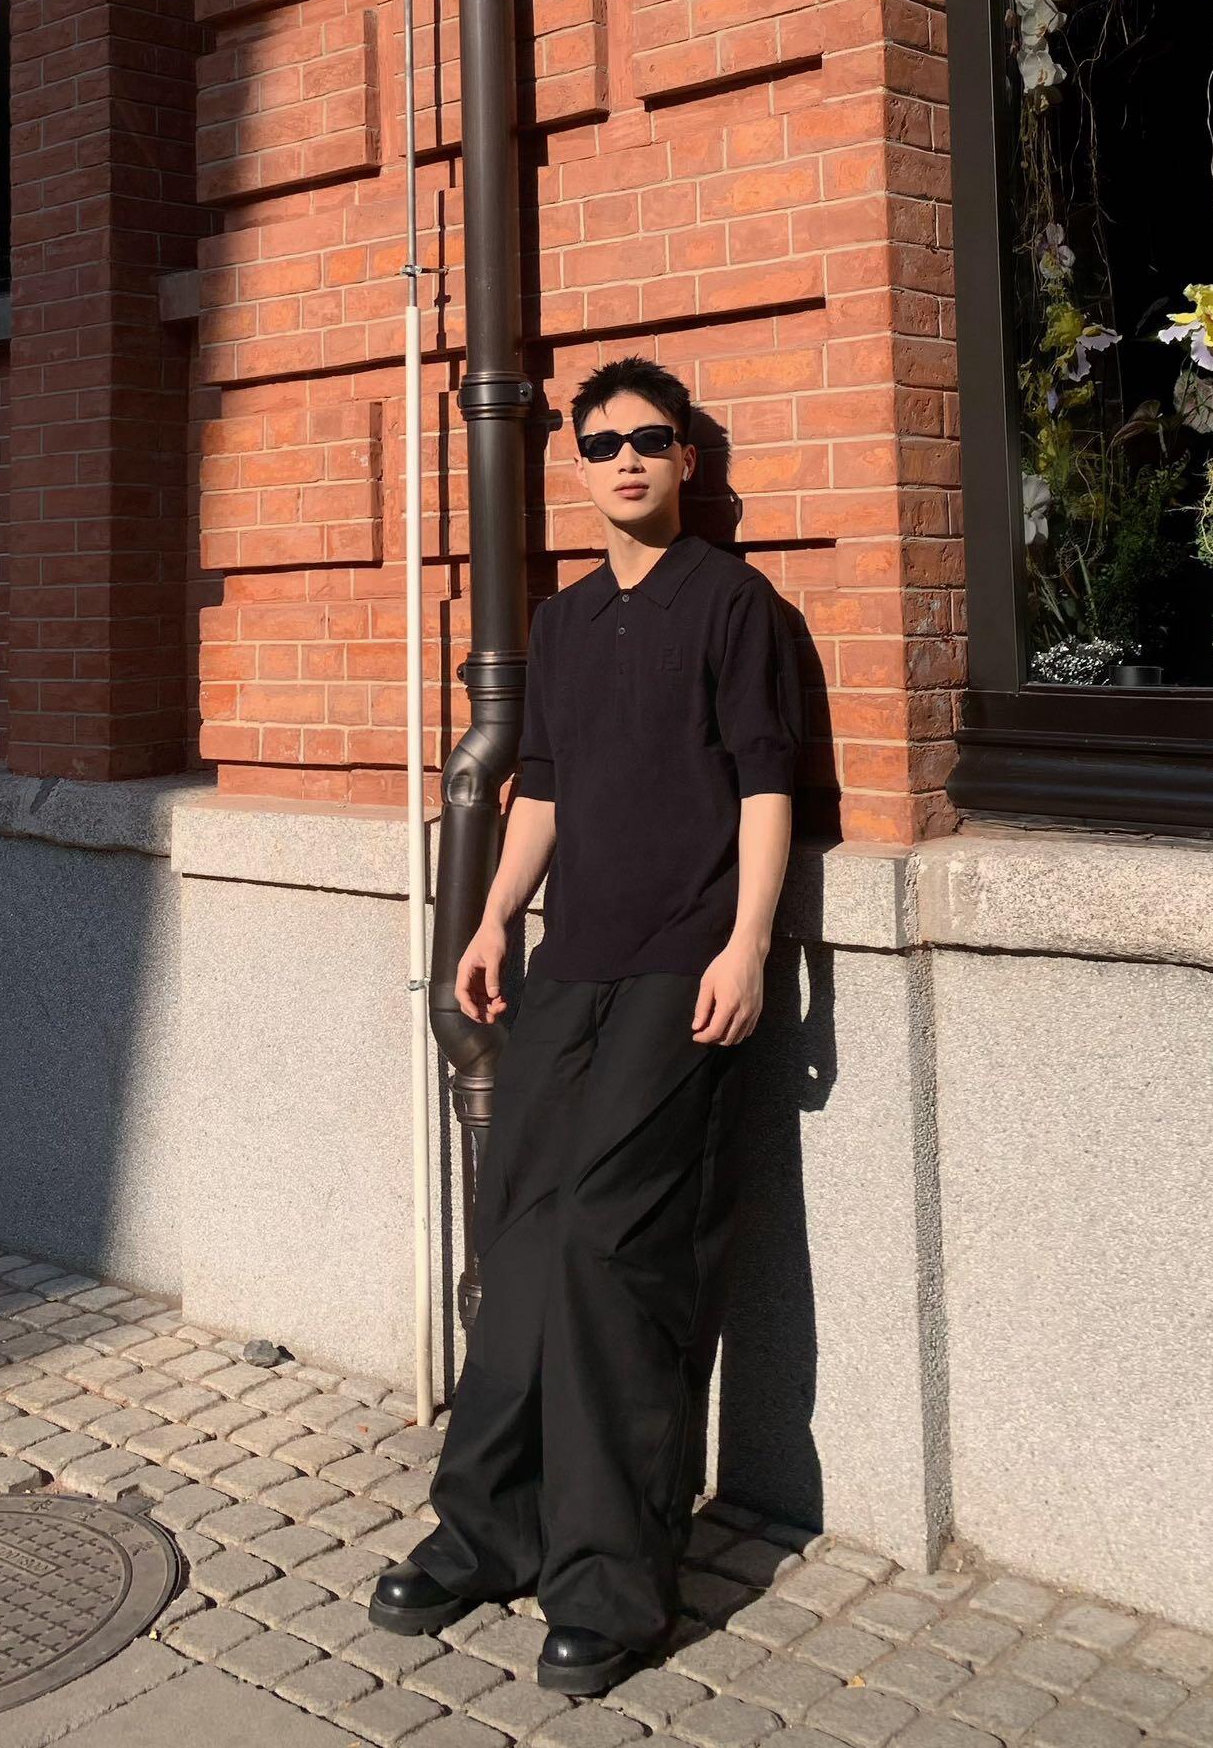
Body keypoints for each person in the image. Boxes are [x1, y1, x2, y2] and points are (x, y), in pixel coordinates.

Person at [368, 356, 803, 1697]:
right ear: (575, 466)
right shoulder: (560, 623)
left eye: (649, 440)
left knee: (615, 1247)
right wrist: (493, 919)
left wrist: (749, 945)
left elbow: (767, 785)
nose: (625, 460)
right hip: (572, 965)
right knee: (521, 1232)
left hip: (684, 969)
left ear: (685, 462)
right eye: (602, 443)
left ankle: (611, 1585)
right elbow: (541, 790)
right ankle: (484, 1532)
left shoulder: (734, 606)